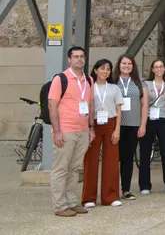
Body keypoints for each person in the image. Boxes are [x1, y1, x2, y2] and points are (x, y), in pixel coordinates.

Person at [48, 47, 94, 217]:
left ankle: (72, 202)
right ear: (69, 59)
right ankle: (60, 206)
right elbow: (52, 105)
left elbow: (90, 105)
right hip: (66, 130)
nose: (79, 59)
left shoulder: (89, 80)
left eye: (82, 57)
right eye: (76, 57)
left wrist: (91, 128)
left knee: (75, 169)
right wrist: (57, 131)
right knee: (61, 168)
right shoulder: (61, 79)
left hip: (82, 130)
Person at [82, 59, 123, 208]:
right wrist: (88, 128)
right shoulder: (88, 87)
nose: (105, 71)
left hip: (111, 123)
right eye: (102, 68)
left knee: (111, 161)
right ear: (95, 70)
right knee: (91, 161)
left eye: (108, 69)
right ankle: (88, 198)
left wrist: (117, 129)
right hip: (93, 124)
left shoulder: (114, 88)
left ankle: (110, 197)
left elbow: (119, 110)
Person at [113, 55, 146, 202]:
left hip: (133, 125)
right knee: (114, 159)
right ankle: (112, 189)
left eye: (129, 63)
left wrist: (143, 124)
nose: (126, 66)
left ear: (133, 66)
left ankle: (126, 189)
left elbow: (144, 106)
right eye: (124, 63)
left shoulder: (139, 84)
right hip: (115, 126)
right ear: (119, 65)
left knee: (128, 159)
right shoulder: (113, 82)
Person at [140, 59, 165, 195]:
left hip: (164, 119)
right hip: (149, 118)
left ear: (164, 68)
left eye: (161, 66)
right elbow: (143, 104)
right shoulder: (146, 84)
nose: (159, 69)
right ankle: (144, 185)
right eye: (156, 67)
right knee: (145, 150)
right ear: (152, 70)